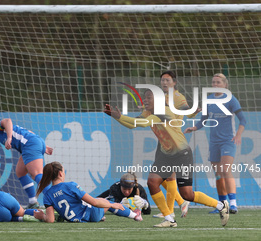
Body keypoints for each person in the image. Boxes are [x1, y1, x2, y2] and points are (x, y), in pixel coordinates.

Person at [104, 89, 229, 228]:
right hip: (166, 155)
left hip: (182, 154)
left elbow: (142, 123)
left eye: (148, 98)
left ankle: (221, 206)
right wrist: (117, 117)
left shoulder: (162, 112)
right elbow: (132, 124)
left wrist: (120, 117)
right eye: (145, 98)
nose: (145, 100)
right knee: (152, 182)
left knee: (187, 194)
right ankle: (169, 219)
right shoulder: (148, 112)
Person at [184, 73, 246, 214]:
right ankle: (222, 205)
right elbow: (203, 120)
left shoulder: (231, 100)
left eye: (218, 82)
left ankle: (233, 204)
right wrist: (194, 127)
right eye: (214, 82)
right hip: (214, 143)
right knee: (218, 174)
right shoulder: (209, 100)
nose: (215, 85)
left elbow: (243, 120)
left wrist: (238, 134)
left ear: (225, 84)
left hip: (228, 141)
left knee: (225, 170)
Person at [152, 70, 201, 219]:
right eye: (162, 80)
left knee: (169, 178)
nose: (164, 83)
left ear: (174, 83)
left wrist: (194, 112)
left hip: (174, 142)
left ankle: (170, 210)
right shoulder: (162, 97)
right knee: (160, 178)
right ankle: (180, 203)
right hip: (164, 140)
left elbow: (187, 110)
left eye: (168, 80)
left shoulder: (177, 97)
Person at [0, 117, 53, 208]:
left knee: (37, 174)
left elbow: (7, 120)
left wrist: (9, 138)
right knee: (20, 172)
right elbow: (29, 132)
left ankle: (53, 200)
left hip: (29, 145)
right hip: (31, 144)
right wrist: (43, 145)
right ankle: (33, 202)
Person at [33, 161, 143, 223]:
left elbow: (50, 220)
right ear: (61, 174)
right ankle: (135, 215)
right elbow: (93, 202)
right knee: (104, 201)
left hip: (76, 220)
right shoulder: (71, 185)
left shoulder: (47, 195)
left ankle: (102, 216)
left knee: (100, 201)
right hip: (90, 215)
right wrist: (112, 204)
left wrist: (42, 216)